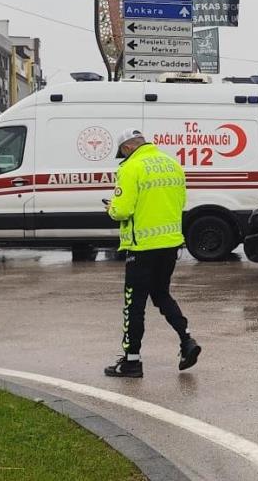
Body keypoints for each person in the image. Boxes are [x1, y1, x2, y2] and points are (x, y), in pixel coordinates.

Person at [103, 129, 201, 378]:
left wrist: (111, 208)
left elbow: (122, 211)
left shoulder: (130, 167)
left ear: (126, 148)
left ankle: (132, 362)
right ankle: (186, 340)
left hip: (141, 248)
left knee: (134, 305)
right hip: (169, 245)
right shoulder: (171, 164)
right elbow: (179, 203)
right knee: (161, 294)